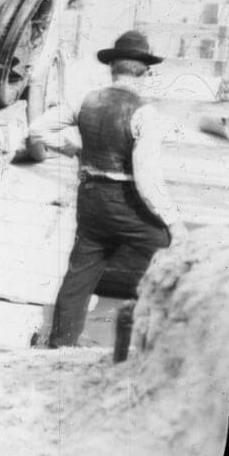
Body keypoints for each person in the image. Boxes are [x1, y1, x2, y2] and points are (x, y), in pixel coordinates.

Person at [27, 30, 187, 348]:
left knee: (80, 272)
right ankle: (156, 343)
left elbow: (37, 129)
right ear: (146, 71)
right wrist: (174, 223)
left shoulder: (87, 100)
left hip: (90, 203)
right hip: (126, 203)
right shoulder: (144, 113)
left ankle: (60, 345)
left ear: (112, 67)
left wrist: (72, 151)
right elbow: (147, 181)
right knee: (169, 248)